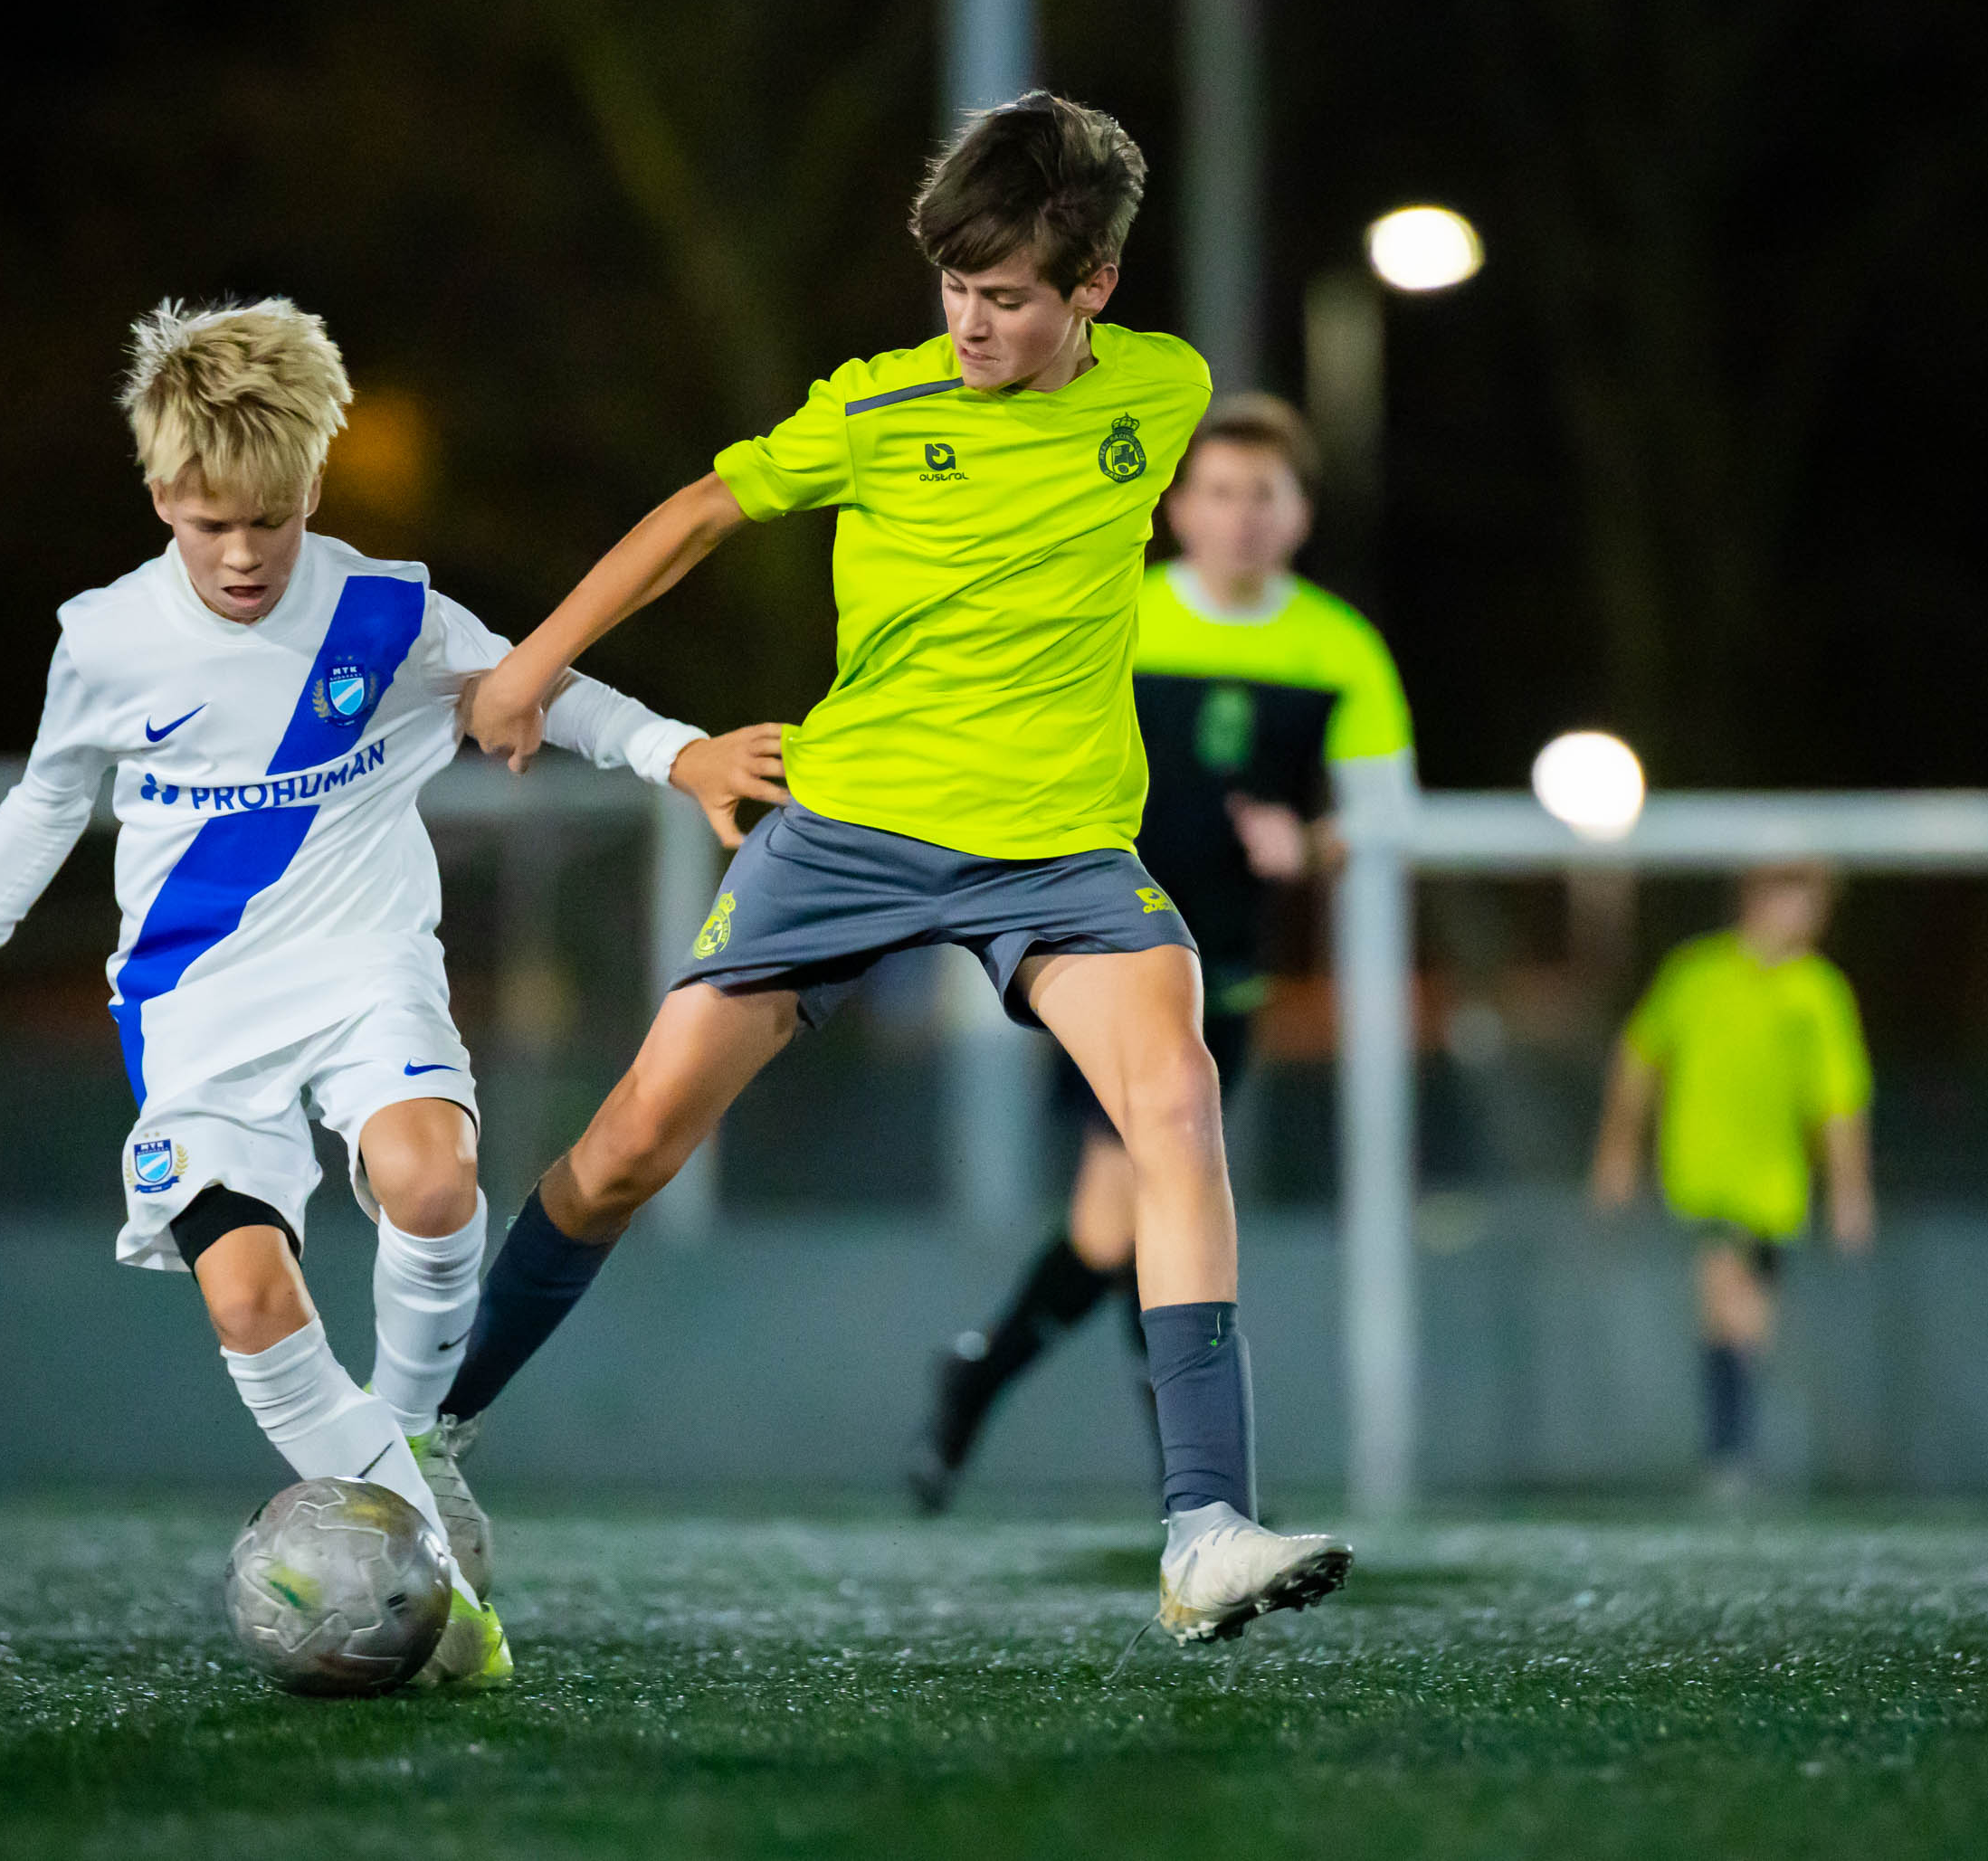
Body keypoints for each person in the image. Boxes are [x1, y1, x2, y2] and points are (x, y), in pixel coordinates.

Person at [445, 94, 1355, 1647]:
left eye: (1006, 297)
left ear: (1096, 288)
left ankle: (1205, 1528)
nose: (970, 323)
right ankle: (423, 1437)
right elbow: (704, 511)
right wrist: (531, 662)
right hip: (850, 832)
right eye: (952, 288)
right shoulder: (875, 407)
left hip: (1062, 850)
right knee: (631, 1144)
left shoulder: (1167, 391)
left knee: (1175, 1100)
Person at [0, 298, 778, 1688]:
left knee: (433, 1182)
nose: (243, 552)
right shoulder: (106, 638)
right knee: (251, 1300)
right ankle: (426, 1548)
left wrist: (681, 754)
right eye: (212, 522)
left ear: (313, 489)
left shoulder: (385, 611)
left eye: (270, 519)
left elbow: (537, 691)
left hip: (367, 970)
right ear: (161, 496)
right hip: (193, 1008)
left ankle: (413, 1441)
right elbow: (46, 805)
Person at [907, 393, 1413, 1513]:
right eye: (1218, 493)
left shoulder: (1339, 647)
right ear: (1178, 509)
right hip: (1099, 949)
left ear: (1298, 514)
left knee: (1117, 1224)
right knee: (1154, 1195)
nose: (1239, 516)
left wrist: (1313, 841)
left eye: (1263, 495)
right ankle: (1199, 1492)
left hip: (1224, 969)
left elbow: (1385, 814)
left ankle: (979, 1380)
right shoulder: (1116, 615)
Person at [1588, 861, 1877, 1491]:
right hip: (1704, 1178)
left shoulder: (1818, 992)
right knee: (1726, 1298)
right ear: (1756, 897)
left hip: (1774, 1189)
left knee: (1748, 1319)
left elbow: (1839, 1101)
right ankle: (1730, 1453)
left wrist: (1850, 1191)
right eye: (1793, 899)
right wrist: (1617, 1152)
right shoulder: (1696, 974)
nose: (1804, 917)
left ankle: (1734, 1449)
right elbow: (1638, 1058)